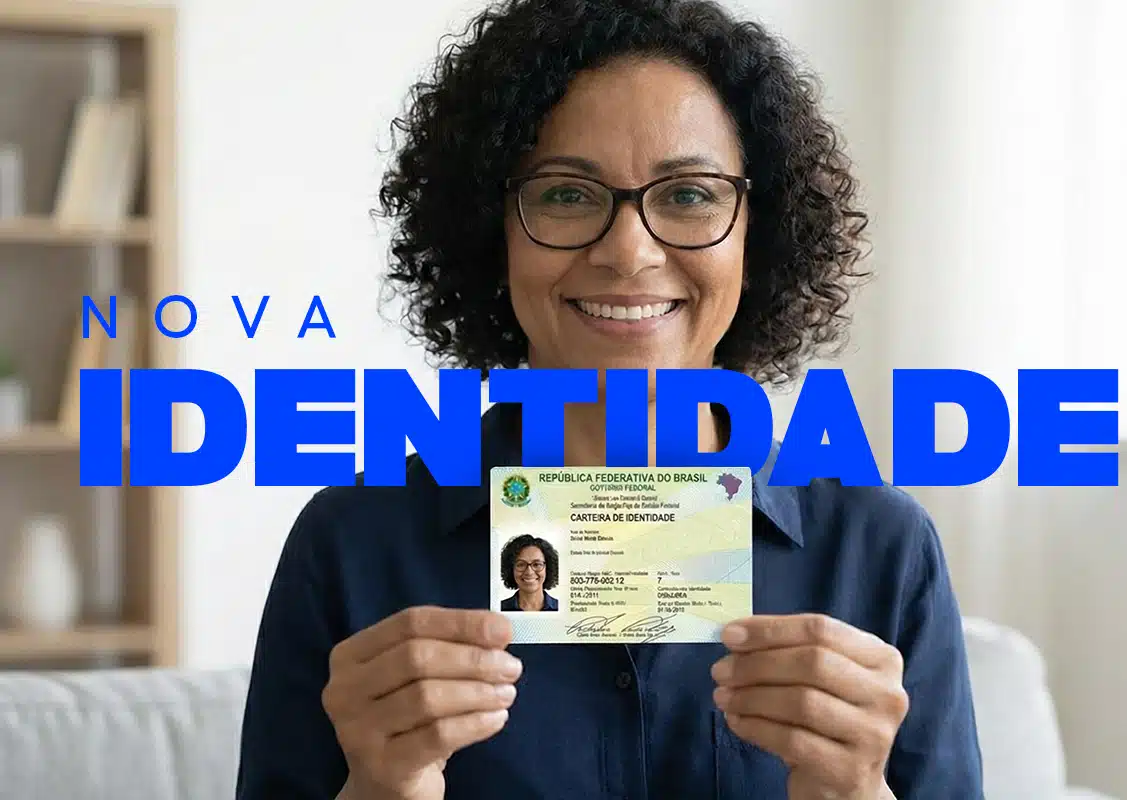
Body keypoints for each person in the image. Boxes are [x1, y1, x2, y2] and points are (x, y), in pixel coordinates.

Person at [235, 1, 985, 798]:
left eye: (689, 195)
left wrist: (857, 792)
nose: (629, 252)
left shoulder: (880, 553)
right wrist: (381, 788)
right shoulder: (352, 546)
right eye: (565, 195)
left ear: (754, 236)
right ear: (494, 232)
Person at [497, 535, 560, 612]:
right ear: (511, 569)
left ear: (548, 568)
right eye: (521, 565)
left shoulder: (562, 609)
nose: (529, 572)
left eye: (537, 564)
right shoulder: (498, 610)